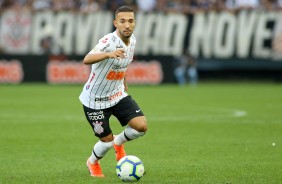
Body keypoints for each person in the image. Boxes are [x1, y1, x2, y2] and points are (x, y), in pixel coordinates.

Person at [79, 6, 148, 178]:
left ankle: (119, 143)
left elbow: (122, 65)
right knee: (106, 142)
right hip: (95, 101)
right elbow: (87, 59)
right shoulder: (108, 41)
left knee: (141, 127)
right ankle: (93, 162)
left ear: (135, 23)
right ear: (115, 23)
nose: (127, 25)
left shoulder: (132, 41)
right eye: (122, 21)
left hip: (117, 95)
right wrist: (108, 54)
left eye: (130, 21)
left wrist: (123, 80)